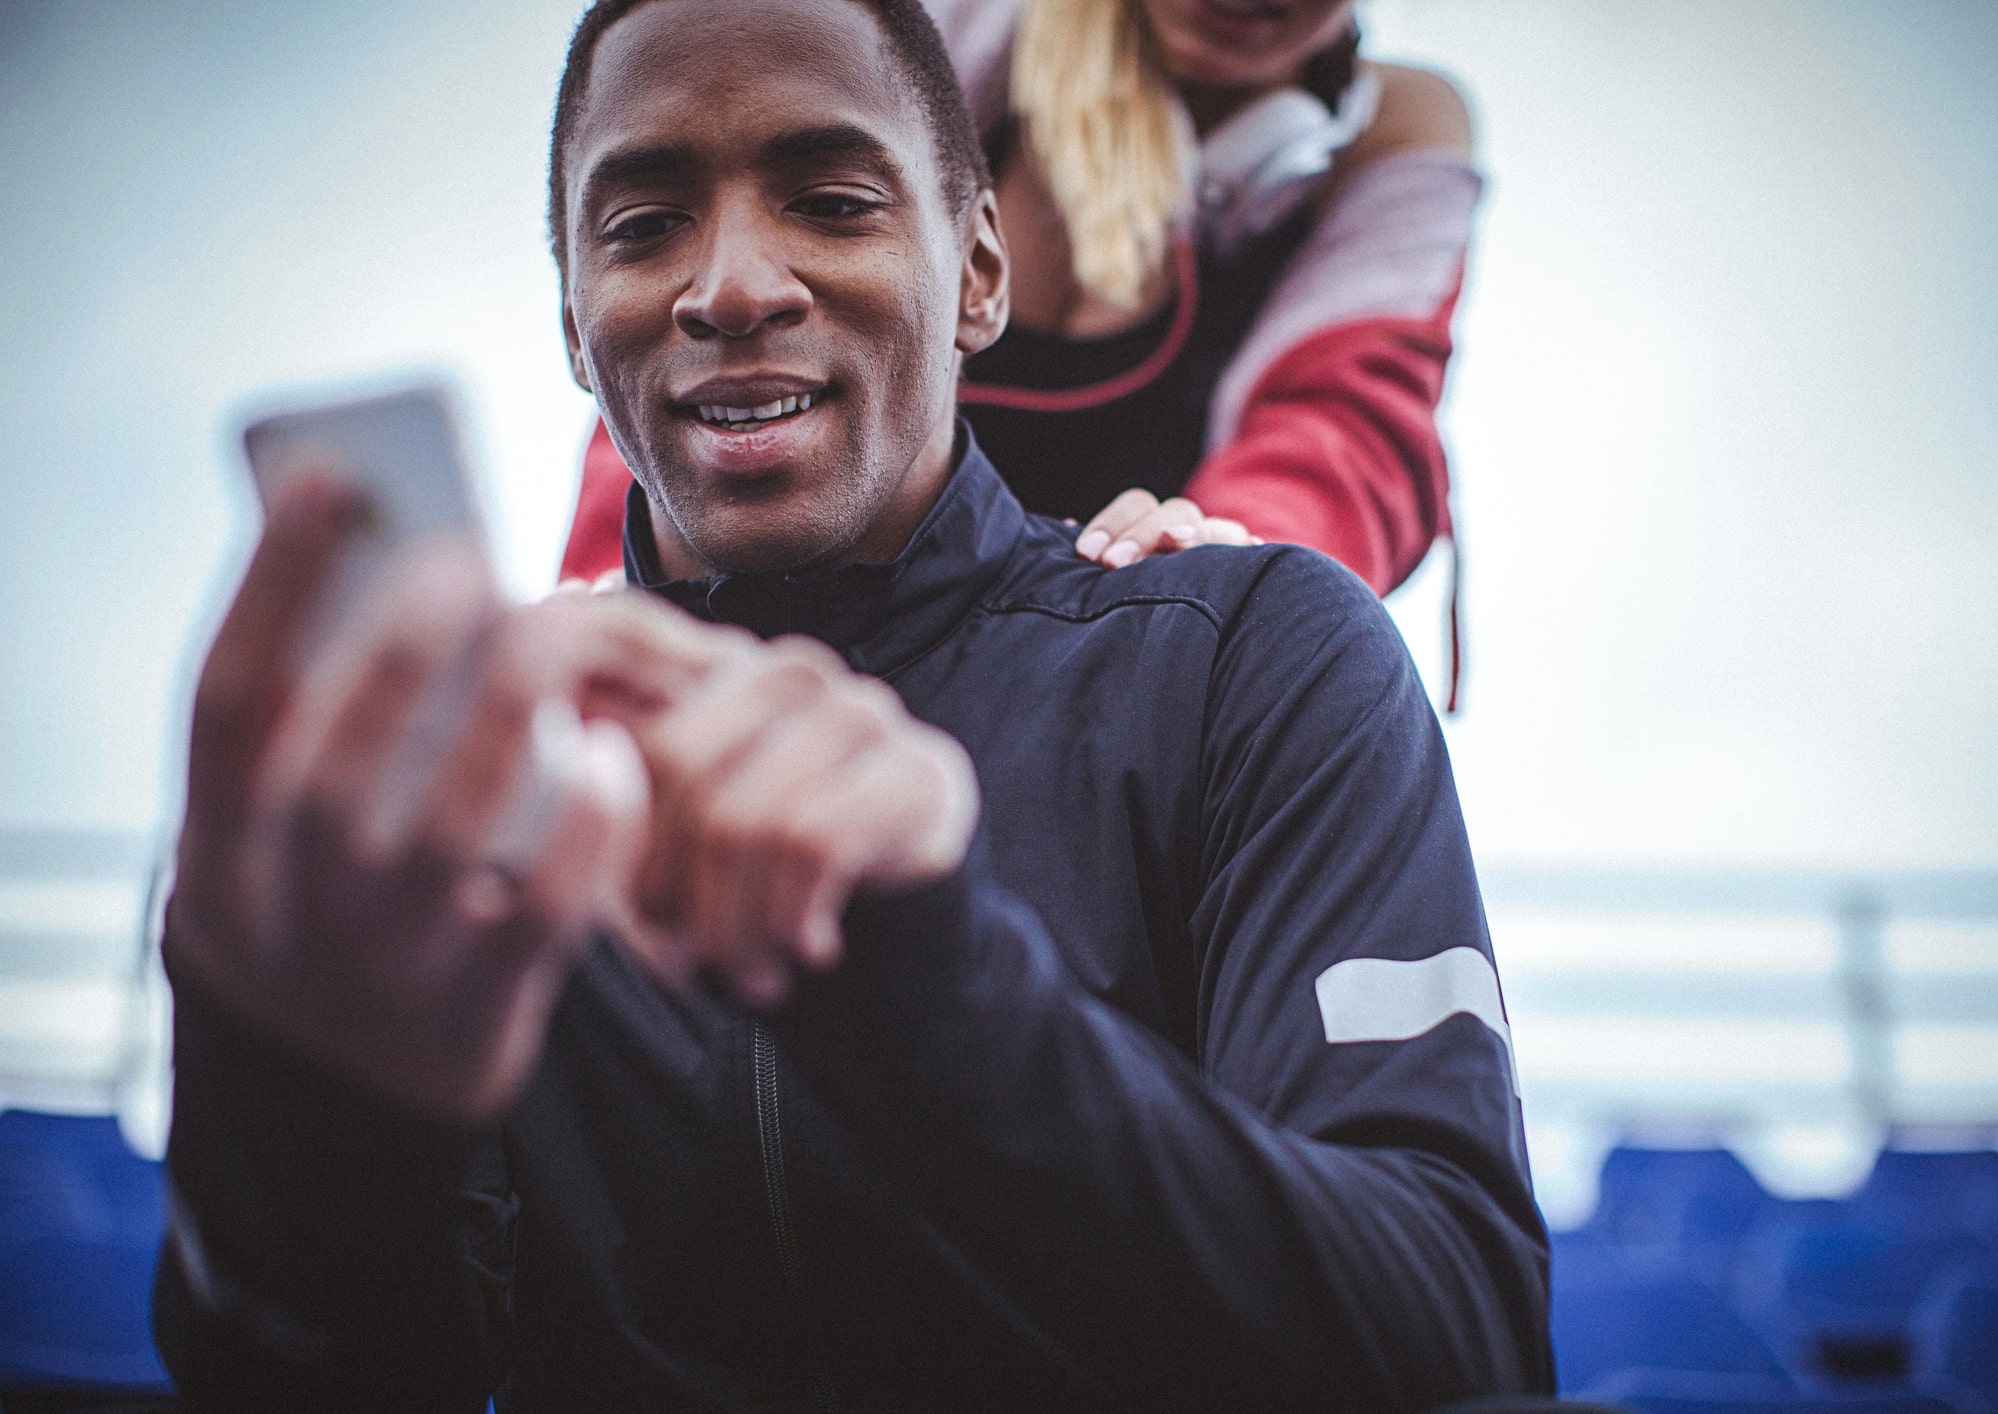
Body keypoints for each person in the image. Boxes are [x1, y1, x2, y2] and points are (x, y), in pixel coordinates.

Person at [153, 0, 1548, 1408]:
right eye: (640, 229)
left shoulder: (1265, 657)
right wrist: (293, 1105)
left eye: (828, 201)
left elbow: (1455, 1335)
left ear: (977, 270)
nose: (732, 286)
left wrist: (938, 994)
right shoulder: (523, 784)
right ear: (574, 325)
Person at [559, 0, 1479, 688]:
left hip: (1107, 687)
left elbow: (1352, 421)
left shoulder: (1393, 130)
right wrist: (610, 597)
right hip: (801, 647)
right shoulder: (921, 34)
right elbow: (704, 333)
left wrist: (1222, 584)